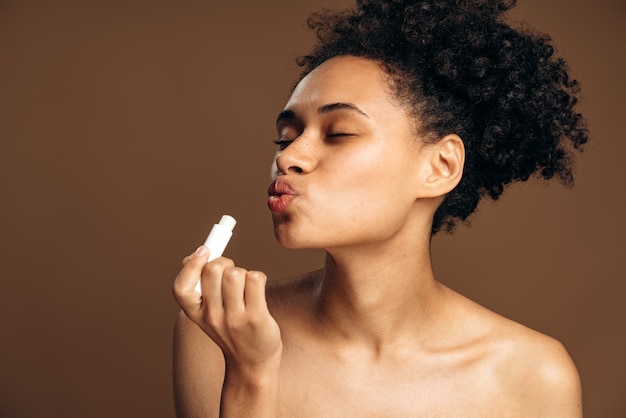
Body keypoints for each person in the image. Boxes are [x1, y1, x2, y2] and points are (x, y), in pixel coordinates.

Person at [172, 0, 587, 416]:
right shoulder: (218, 330)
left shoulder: (532, 376)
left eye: (338, 134)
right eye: (285, 137)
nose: (289, 157)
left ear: (440, 166)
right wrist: (251, 372)